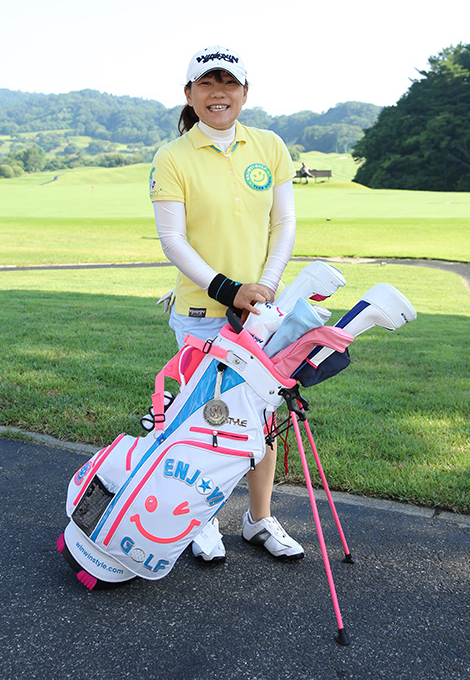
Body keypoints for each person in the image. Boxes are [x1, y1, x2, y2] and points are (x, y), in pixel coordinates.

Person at [149, 45, 304, 563]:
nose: (219, 93)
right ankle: (202, 520)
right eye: (207, 84)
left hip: (258, 310)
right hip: (202, 312)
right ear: (189, 94)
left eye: (229, 83)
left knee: (261, 417)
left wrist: (266, 284)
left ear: (245, 92)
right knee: (207, 418)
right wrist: (227, 290)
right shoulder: (172, 157)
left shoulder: (269, 144)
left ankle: (259, 519)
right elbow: (172, 239)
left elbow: (283, 222)